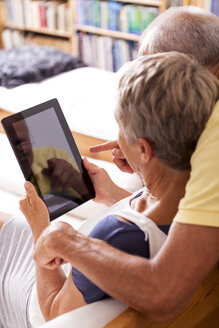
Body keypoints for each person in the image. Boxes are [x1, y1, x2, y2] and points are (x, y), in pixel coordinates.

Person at [0, 51, 218, 327]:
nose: (117, 139)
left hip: (32, 300)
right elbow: (154, 223)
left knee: (21, 226)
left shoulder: (115, 235)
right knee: (9, 223)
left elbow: (52, 310)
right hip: (73, 272)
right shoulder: (197, 192)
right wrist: (114, 194)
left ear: (143, 148)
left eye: (120, 129)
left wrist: (42, 228)